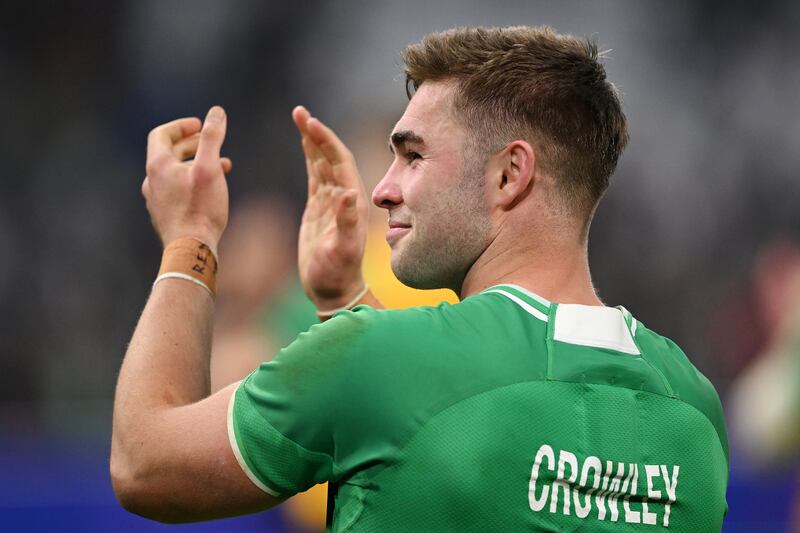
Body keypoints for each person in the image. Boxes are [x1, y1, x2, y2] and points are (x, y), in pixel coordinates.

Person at [110, 26, 729, 531]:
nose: (382, 190)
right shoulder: (696, 410)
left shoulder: (373, 360)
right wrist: (344, 300)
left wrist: (189, 238)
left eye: (412, 156)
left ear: (510, 174)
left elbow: (144, 465)